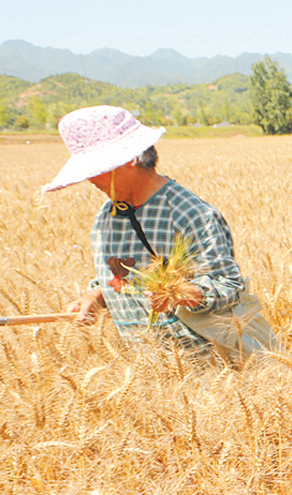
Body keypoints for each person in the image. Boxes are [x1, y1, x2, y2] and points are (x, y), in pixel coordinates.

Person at [46, 105, 277, 363]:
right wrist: (94, 298)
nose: (90, 180)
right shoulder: (106, 217)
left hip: (210, 371)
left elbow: (228, 285)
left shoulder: (189, 213)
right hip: (150, 371)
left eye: (96, 169)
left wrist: (179, 293)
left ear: (130, 159)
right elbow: (120, 278)